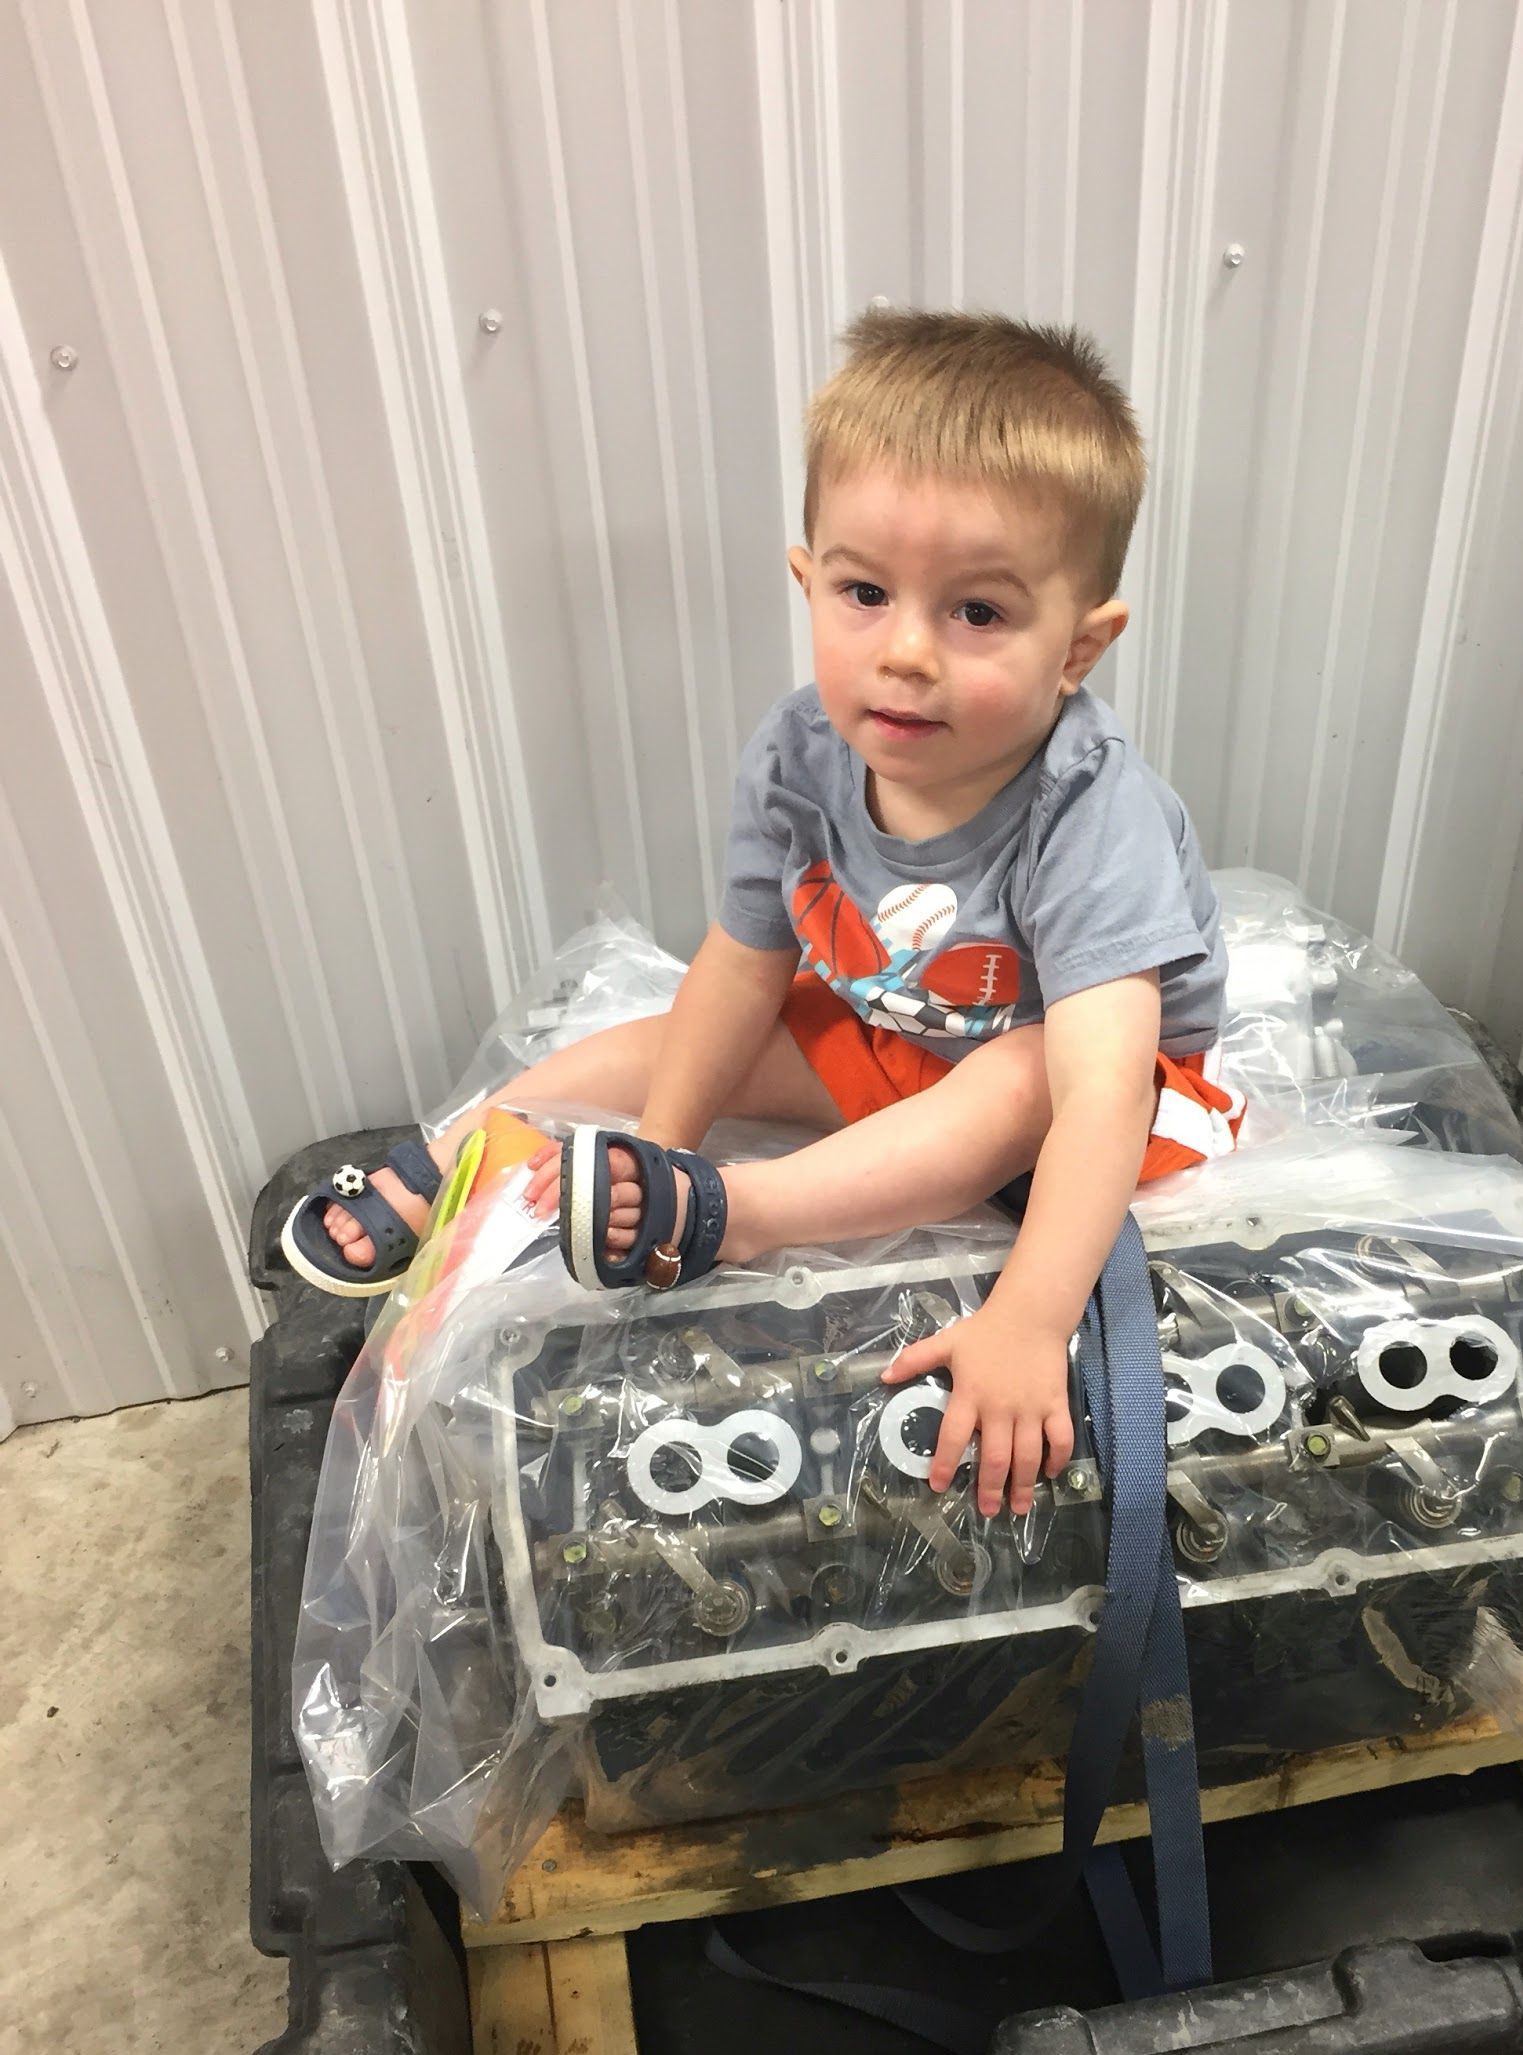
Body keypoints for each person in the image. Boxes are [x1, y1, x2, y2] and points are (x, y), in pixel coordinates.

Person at [281, 310, 1240, 1519]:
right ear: (809, 579)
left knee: (1030, 1069)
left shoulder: (1088, 810)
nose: (904, 653)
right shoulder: (800, 752)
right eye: (864, 591)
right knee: (686, 1024)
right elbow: (738, 969)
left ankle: (731, 1219)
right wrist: (664, 1140)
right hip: (907, 1035)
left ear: (1080, 649)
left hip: (1107, 1101)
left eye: (979, 613)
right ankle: (481, 1139)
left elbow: (1104, 1089)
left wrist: (1031, 1318)